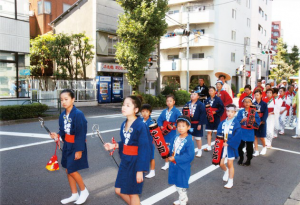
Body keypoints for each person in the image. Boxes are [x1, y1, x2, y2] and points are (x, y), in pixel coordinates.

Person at [104, 96, 151, 205]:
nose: (124, 107)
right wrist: (113, 146)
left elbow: (144, 149)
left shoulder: (140, 125)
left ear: (136, 110)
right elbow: (126, 143)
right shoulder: (123, 124)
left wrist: (140, 170)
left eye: (128, 105)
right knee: (119, 190)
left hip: (136, 163)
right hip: (126, 162)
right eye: (124, 104)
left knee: (133, 193)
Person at [50, 89, 89, 205]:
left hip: (76, 145)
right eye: (61, 100)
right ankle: (74, 194)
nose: (64, 102)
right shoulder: (62, 115)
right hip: (67, 145)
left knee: (72, 169)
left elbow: (81, 133)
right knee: (68, 169)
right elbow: (62, 130)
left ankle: (84, 191)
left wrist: (79, 150)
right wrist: (57, 135)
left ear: (73, 99)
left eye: (66, 99)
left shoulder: (78, 114)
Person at [168, 115, 195, 205]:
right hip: (174, 165)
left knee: (181, 184)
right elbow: (171, 148)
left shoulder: (189, 140)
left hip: (183, 167)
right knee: (177, 183)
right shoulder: (175, 137)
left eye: (183, 126)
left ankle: (183, 201)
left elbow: (190, 156)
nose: (180, 128)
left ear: (188, 127)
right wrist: (166, 152)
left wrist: (175, 158)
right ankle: (182, 198)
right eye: (179, 126)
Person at [217, 104, 241, 189]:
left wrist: (229, 142)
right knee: (220, 163)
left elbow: (238, 135)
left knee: (230, 163)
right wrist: (219, 142)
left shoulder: (236, 123)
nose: (229, 113)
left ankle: (230, 181)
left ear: (235, 112)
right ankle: (225, 171)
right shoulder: (223, 122)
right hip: (223, 145)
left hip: (230, 146)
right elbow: (219, 133)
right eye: (228, 111)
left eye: (232, 112)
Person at [157, 94, 181, 170]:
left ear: (174, 102)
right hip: (164, 130)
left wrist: (175, 125)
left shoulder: (176, 111)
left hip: (172, 131)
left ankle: (174, 161)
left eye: (170, 101)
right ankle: (166, 163)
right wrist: (160, 125)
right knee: (165, 147)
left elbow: (180, 120)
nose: (169, 102)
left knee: (172, 147)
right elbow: (159, 119)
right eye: (167, 101)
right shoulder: (164, 111)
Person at [237, 96, 261, 166]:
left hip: (250, 131)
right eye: (245, 102)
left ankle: (248, 160)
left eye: (248, 102)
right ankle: (241, 158)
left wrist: (255, 120)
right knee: (239, 146)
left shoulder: (254, 112)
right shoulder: (241, 111)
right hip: (242, 130)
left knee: (249, 147)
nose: (247, 103)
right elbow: (237, 120)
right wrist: (242, 120)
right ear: (243, 103)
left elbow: (258, 121)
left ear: (251, 103)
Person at [182, 91, 206, 157]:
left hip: (197, 123)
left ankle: (199, 150)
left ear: (198, 96)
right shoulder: (188, 103)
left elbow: (202, 114)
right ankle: (189, 151)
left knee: (198, 138)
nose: (192, 95)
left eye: (194, 94)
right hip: (189, 123)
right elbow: (183, 111)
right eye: (191, 94)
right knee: (189, 138)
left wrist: (200, 124)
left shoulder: (200, 104)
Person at [204, 86, 224, 152]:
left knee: (216, 132)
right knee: (209, 132)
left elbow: (222, 108)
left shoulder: (218, 99)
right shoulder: (207, 100)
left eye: (212, 91)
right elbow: (205, 109)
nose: (210, 92)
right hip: (209, 117)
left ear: (215, 91)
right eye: (209, 91)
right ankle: (209, 146)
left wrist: (215, 112)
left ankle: (217, 146)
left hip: (216, 117)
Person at [141, 104, 156, 179]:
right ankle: (144, 169)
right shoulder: (140, 121)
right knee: (142, 156)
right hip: (141, 143)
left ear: (150, 113)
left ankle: (152, 171)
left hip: (149, 143)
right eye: (143, 111)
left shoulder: (151, 122)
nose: (144, 113)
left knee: (151, 157)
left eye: (146, 111)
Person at [253, 90, 268, 156]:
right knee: (255, 136)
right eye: (255, 95)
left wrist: (262, 121)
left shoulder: (264, 104)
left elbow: (266, 113)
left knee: (261, 136)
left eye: (258, 95)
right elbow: (252, 113)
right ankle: (256, 150)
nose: (256, 96)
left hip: (262, 121)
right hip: (255, 121)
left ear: (261, 95)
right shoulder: (253, 104)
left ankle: (264, 147)